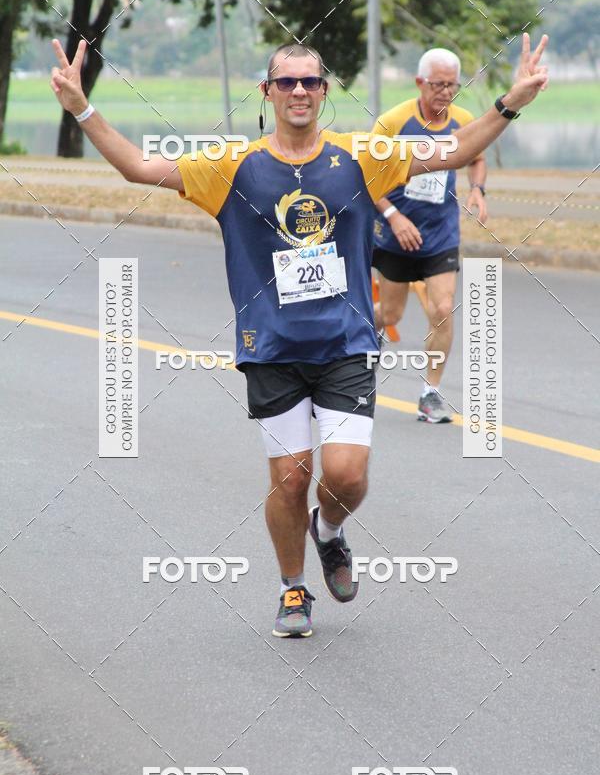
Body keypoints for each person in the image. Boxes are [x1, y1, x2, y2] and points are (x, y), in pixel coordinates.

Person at [50, 34, 548, 637]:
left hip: (346, 343)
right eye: (286, 82)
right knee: (289, 478)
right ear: (267, 92)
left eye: (310, 81)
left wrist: (510, 102)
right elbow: (136, 167)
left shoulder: (361, 155)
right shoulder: (231, 166)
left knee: (345, 475)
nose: (299, 91)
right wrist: (81, 106)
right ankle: (292, 588)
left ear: (324, 91)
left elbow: (451, 151)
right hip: (273, 349)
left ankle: (331, 531)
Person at [372, 47, 488, 424]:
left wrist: (476, 189)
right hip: (396, 234)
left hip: (440, 235)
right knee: (390, 313)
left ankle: (430, 393)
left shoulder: (464, 121)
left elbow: (478, 156)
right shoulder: (394, 122)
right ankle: (361, 338)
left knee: (442, 308)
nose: (445, 92)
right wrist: (394, 217)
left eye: (452, 85)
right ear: (420, 82)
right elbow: (366, 175)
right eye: (438, 84)